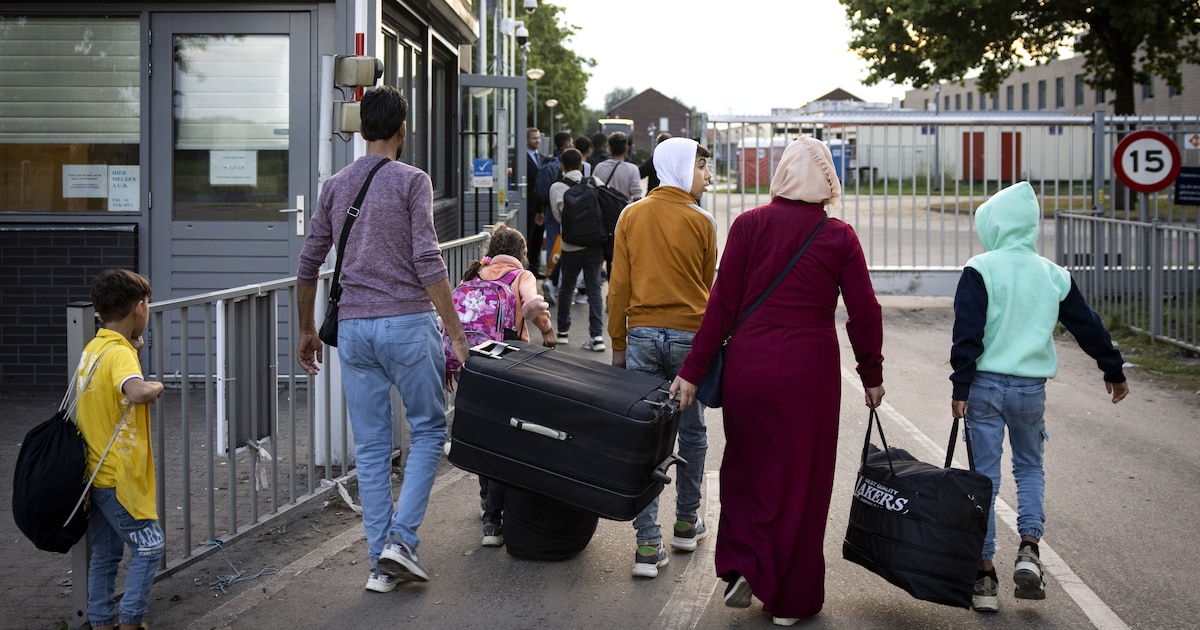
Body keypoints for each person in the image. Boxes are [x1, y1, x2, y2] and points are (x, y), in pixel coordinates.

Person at [672, 137, 885, 626]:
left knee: (746, 466)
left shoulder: (749, 225)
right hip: (810, 372)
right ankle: (789, 599)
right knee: (802, 479)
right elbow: (864, 312)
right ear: (827, 180)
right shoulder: (839, 236)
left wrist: (692, 371)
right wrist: (871, 373)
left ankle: (745, 562)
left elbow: (721, 305)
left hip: (749, 365)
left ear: (782, 175)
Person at [296, 85, 469, 594]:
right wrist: (456, 334)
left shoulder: (334, 185)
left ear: (361, 127)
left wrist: (306, 329)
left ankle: (379, 564)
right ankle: (401, 541)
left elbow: (308, 262)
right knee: (428, 430)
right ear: (402, 129)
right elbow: (427, 260)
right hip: (407, 324)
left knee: (371, 450)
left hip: (352, 330)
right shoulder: (413, 181)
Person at [949, 181, 1130, 613]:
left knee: (984, 479)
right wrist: (1113, 368)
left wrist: (960, 386)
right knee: (1029, 468)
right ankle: (1029, 549)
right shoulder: (1053, 273)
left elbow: (967, 332)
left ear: (994, 226)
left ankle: (985, 575)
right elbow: (1086, 324)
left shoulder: (981, 268)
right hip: (1031, 390)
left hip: (985, 386)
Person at [607, 137, 717, 579]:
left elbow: (619, 285)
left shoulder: (631, 215)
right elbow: (708, 289)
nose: (707, 176)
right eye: (701, 167)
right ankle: (687, 522)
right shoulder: (703, 221)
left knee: (645, 436)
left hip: (642, 336)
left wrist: (617, 344)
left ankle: (647, 544)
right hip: (691, 340)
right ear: (681, 168)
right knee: (692, 432)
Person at [457, 224, 556, 547]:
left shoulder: (475, 273)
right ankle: (492, 520)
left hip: (474, 362)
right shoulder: (521, 275)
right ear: (521, 253)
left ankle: (486, 497)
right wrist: (547, 331)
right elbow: (532, 306)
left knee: (485, 434)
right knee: (505, 439)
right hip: (509, 361)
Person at [77, 269, 165, 630]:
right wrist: (156, 386)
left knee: (106, 553)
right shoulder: (120, 355)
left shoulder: (94, 348)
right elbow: (136, 392)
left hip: (94, 472)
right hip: (120, 476)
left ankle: (100, 620)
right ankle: (130, 621)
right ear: (139, 307)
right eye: (148, 305)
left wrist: (133, 348)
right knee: (150, 547)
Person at [549, 148, 606, 351]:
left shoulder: (557, 187)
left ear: (562, 166)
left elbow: (558, 217)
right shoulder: (594, 182)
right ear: (581, 165)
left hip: (570, 245)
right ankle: (597, 336)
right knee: (594, 288)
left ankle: (563, 333)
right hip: (595, 244)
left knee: (567, 287)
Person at [593, 132, 643, 276]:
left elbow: (594, 191)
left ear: (609, 148)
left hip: (602, 217)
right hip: (622, 217)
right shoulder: (632, 169)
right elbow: (637, 197)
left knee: (603, 254)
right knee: (619, 256)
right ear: (626, 149)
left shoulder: (600, 167)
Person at [538, 131, 575, 300]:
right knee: (569, 245)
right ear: (567, 144)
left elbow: (541, 192)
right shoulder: (570, 161)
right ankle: (561, 282)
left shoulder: (548, 162)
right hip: (570, 210)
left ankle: (550, 278)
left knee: (553, 244)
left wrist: (540, 209)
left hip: (550, 209)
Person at [524, 127, 546, 279]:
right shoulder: (522, 158)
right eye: (534, 138)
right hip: (528, 205)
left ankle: (535, 269)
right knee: (529, 239)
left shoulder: (542, 158)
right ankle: (528, 269)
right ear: (526, 140)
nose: (537, 141)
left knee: (538, 238)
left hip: (540, 206)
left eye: (538, 138)